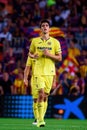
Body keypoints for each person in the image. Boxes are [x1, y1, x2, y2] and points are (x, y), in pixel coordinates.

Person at [24, 19, 62, 127]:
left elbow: (59, 58)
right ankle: (40, 120)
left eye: (46, 25)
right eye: (43, 25)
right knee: (39, 94)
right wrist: (33, 56)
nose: (45, 27)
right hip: (38, 73)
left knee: (45, 96)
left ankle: (40, 117)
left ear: (49, 28)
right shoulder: (35, 41)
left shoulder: (55, 42)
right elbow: (30, 54)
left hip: (49, 73)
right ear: (41, 28)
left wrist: (49, 54)